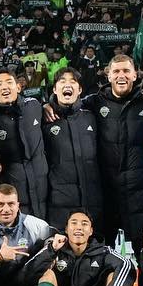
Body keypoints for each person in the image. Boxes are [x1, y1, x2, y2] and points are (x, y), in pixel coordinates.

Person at [25, 209, 136, 286]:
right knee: (46, 273)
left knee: (113, 275)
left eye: (84, 224)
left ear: (91, 231)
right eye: (74, 223)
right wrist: (51, 251)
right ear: (66, 229)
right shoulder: (54, 249)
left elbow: (127, 265)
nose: (79, 227)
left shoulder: (104, 252)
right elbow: (28, 273)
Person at [86, 53, 143, 245]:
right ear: (108, 75)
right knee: (102, 251)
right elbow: (68, 108)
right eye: (116, 71)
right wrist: (50, 104)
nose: (121, 75)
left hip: (140, 191)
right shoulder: (94, 102)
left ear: (135, 75)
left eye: (126, 71)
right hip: (106, 192)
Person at [44, 67, 106, 233]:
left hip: (93, 203)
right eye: (62, 81)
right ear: (54, 89)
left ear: (80, 90)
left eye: (73, 81)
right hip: (59, 205)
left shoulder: (92, 116)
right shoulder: (44, 119)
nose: (67, 85)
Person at [0, 66, 49, 217]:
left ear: (18, 87)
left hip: (44, 193)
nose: (5, 87)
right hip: (14, 200)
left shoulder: (34, 106)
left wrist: (49, 103)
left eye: (9, 82)